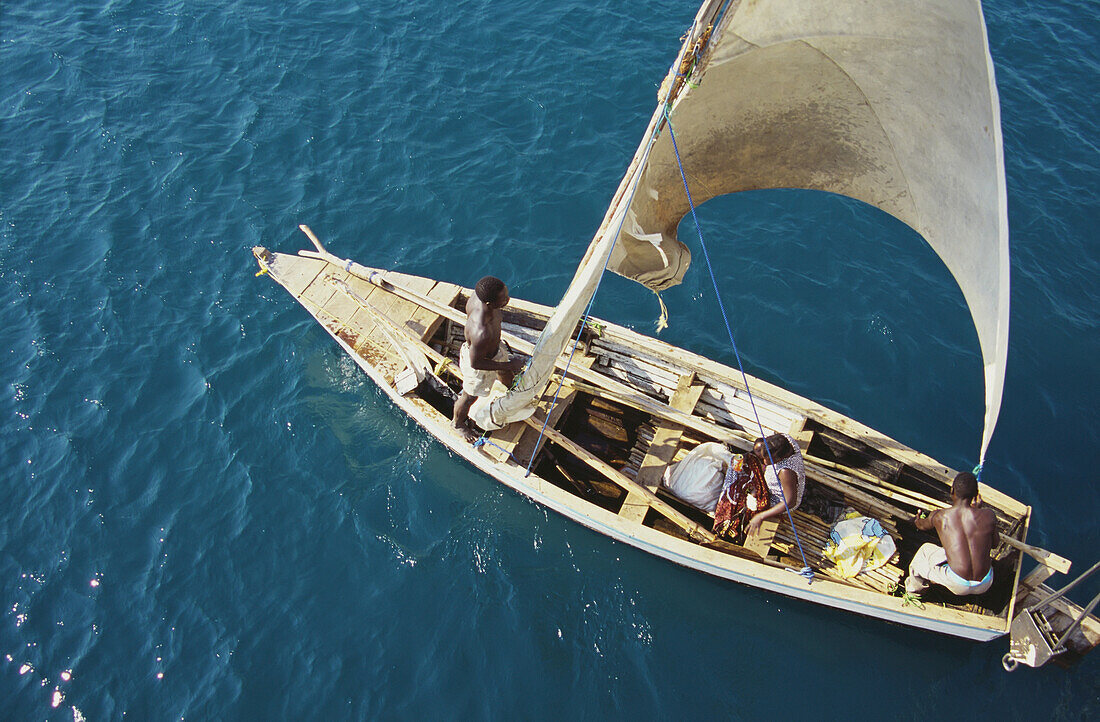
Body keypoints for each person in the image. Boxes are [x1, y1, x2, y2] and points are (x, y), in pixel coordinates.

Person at [451, 276, 525, 442]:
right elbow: (475, 363)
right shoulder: (481, 332)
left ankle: (510, 391)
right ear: (490, 304)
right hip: (478, 364)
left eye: (506, 294)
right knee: (470, 396)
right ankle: (457, 424)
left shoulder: (479, 297)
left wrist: (507, 365)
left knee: (505, 372)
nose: (508, 299)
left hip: (494, 349)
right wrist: (510, 364)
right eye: (504, 299)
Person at [904, 471, 997, 597]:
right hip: (985, 583)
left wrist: (917, 519)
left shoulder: (940, 516)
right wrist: (978, 510)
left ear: (952, 490)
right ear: (976, 495)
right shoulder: (989, 515)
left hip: (958, 586)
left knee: (925, 550)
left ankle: (914, 592)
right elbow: (995, 544)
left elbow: (920, 525)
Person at [744, 433, 806, 537]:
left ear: (780, 458)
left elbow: (790, 502)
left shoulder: (786, 471)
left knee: (742, 502)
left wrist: (761, 516)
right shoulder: (785, 439)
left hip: (780, 501)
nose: (765, 462)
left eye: (768, 459)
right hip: (782, 485)